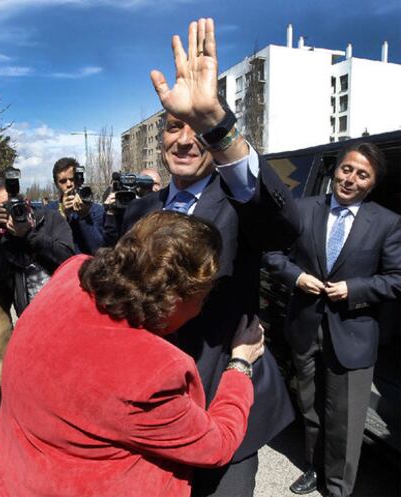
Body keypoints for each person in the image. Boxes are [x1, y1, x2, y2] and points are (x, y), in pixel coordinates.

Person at [117, 18, 301, 497]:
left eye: (194, 129)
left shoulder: (239, 202)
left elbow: (284, 227)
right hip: (151, 408)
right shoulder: (138, 212)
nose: (184, 139)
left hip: (225, 398)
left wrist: (216, 125)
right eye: (174, 127)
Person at [0, 211, 265, 497]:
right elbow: (216, 444)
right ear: (174, 299)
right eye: (203, 297)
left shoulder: (71, 273)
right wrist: (240, 363)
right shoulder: (154, 373)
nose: (201, 309)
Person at [263, 142, 401, 497]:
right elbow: (273, 253)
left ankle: (339, 487)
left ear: (371, 183)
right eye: (346, 169)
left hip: (352, 333)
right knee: (310, 407)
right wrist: (296, 277)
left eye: (362, 174)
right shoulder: (303, 209)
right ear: (336, 170)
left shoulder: (387, 222)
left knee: (346, 418)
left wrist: (354, 289)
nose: (351, 179)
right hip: (305, 326)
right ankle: (314, 467)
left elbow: (396, 277)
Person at [0, 179, 75, 316]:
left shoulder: (51, 219)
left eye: (14, 205)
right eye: (5, 207)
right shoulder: (4, 238)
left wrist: (29, 234)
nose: (11, 211)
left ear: (26, 202)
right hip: (30, 320)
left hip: (64, 311)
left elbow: (68, 259)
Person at [48, 157, 104, 254]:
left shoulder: (97, 210)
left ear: (79, 179)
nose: (69, 184)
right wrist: (62, 215)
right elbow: (50, 250)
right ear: (56, 184)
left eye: (72, 179)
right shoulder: (49, 211)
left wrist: (84, 216)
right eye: (63, 181)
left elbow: (99, 250)